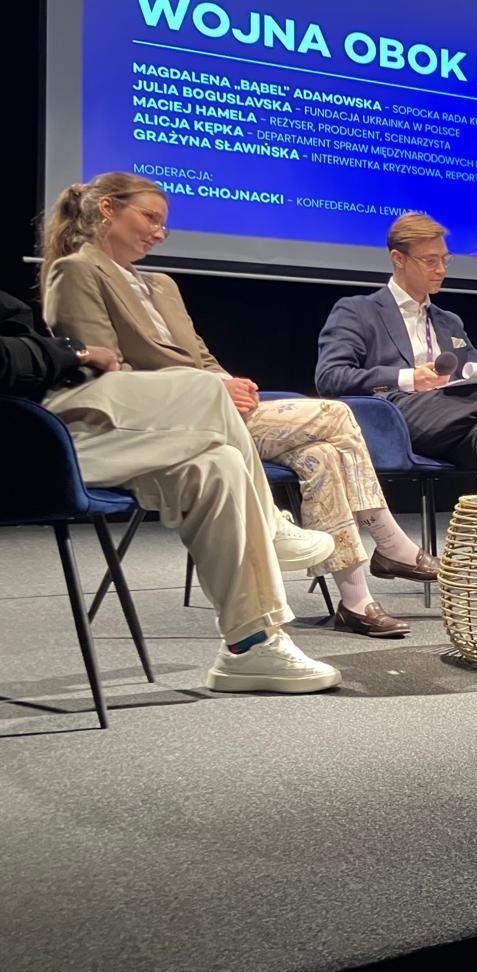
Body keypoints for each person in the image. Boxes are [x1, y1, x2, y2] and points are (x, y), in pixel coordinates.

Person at [41, 173, 435, 641]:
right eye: (150, 218)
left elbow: (201, 356)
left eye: (164, 224)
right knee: (336, 414)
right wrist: (206, 389)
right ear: (108, 209)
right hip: (160, 420)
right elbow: (104, 373)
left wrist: (230, 383)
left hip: (216, 407)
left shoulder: (162, 285)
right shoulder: (77, 272)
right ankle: (389, 542)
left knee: (323, 455)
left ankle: (356, 601)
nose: (159, 233)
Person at [1, 287, 342, 693]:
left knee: (221, 465)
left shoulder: (157, 283)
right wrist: (74, 351)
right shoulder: (76, 273)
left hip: (53, 420)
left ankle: (250, 645)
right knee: (207, 391)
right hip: (30, 441)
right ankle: (270, 527)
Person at [315, 212, 477, 484]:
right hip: (393, 417)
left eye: (444, 259)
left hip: (446, 420)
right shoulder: (358, 311)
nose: (441, 269)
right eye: (430, 261)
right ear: (398, 259)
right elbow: (330, 378)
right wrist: (409, 377)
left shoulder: (448, 322)